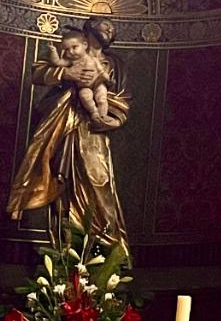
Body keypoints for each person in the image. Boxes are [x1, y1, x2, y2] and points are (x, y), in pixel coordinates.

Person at [5, 16, 130, 248]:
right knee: (62, 183)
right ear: (90, 31)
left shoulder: (114, 63)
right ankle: (65, 250)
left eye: (112, 28)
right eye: (106, 25)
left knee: (99, 181)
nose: (111, 29)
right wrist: (66, 74)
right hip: (63, 127)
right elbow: (38, 72)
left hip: (93, 132)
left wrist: (114, 120)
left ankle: (105, 245)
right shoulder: (68, 52)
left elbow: (122, 99)